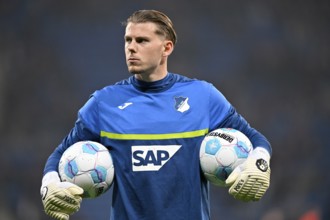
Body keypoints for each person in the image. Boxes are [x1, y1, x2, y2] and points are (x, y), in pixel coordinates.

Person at [40, 9, 272, 220]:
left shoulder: (203, 96)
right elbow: (59, 155)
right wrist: (49, 183)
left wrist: (259, 163)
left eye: (142, 40)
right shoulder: (104, 103)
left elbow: (256, 139)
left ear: (166, 47)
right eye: (128, 40)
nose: (131, 47)